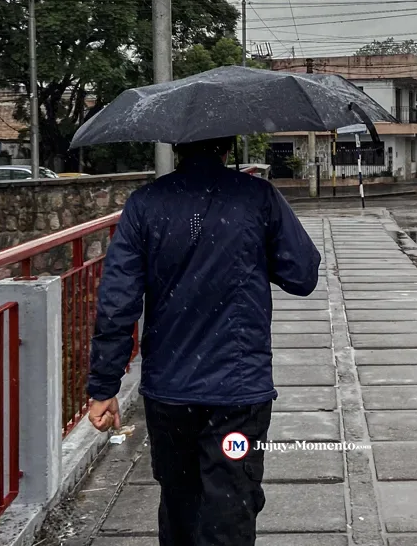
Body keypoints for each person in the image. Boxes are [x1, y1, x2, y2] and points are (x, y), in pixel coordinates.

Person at [85, 136, 320, 546]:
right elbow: (303, 275)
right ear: (228, 146)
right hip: (238, 395)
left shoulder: (145, 204)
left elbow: (117, 302)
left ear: (176, 145)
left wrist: (104, 387)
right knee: (231, 506)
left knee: (179, 506)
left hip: (169, 392)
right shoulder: (257, 197)